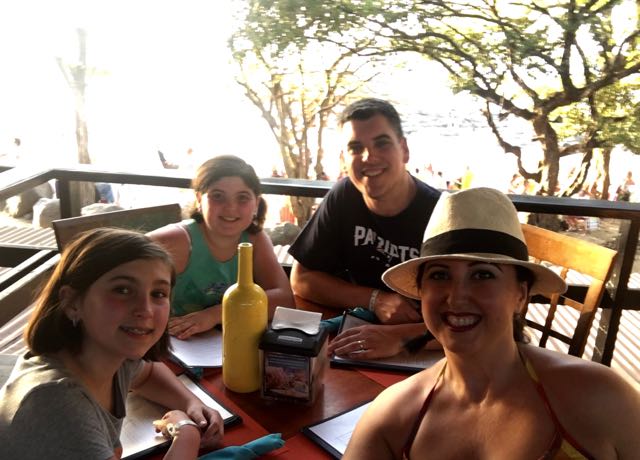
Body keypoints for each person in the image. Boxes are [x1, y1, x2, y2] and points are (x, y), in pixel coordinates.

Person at [344, 187, 640, 459]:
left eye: (483, 274)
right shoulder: (392, 417)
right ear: (421, 292)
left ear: (520, 295)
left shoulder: (601, 398)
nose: (456, 296)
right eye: (439, 275)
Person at [0, 228, 224, 459]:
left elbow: (147, 374)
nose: (145, 309)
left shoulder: (110, 354)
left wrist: (191, 403)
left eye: (158, 293)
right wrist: (187, 433)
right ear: (72, 302)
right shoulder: (57, 403)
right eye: (122, 290)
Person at [288, 98, 441, 359]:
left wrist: (399, 338)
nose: (369, 157)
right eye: (356, 148)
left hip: (429, 350)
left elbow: (484, 317)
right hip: (360, 339)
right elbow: (301, 279)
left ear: (404, 150)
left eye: (382, 143)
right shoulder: (344, 196)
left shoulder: (440, 214)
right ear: (344, 160)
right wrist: (376, 300)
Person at [148, 155, 294, 339]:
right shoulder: (174, 241)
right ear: (199, 199)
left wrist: (214, 315)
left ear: (256, 204)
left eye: (242, 198)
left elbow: (284, 300)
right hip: (165, 342)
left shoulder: (255, 240)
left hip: (222, 345)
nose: (230, 208)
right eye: (218, 196)